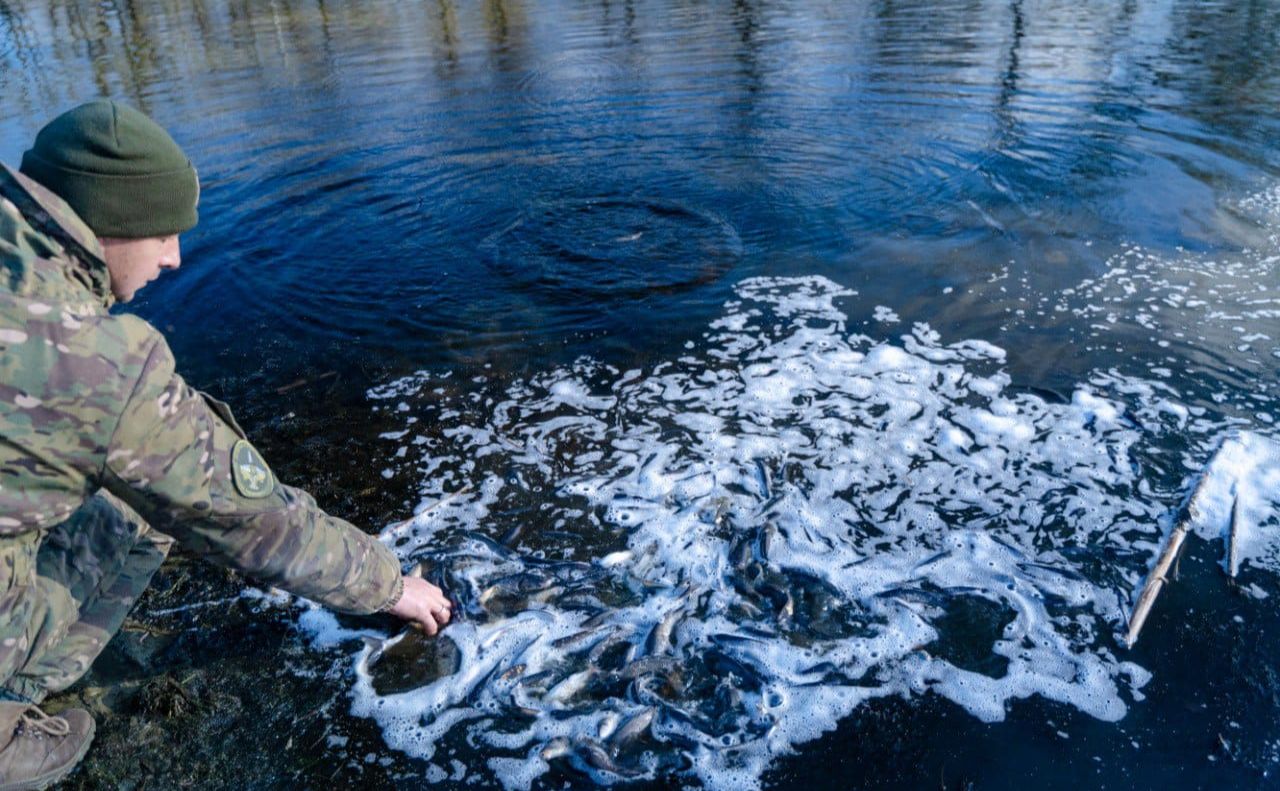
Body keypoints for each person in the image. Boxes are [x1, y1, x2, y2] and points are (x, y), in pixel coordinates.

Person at [0, 100, 451, 790]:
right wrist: (389, 583)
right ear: (110, 220)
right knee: (141, 507)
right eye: (164, 233)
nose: (176, 258)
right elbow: (251, 519)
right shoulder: (93, 359)